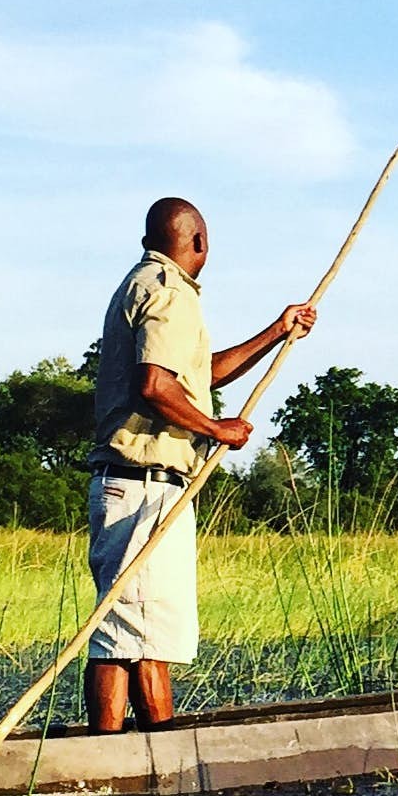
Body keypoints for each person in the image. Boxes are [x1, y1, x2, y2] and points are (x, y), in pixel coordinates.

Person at [84, 197, 316, 733]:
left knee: (138, 631)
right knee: (130, 628)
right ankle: (130, 751)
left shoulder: (145, 284)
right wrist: (216, 430)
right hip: (143, 484)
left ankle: (124, 748)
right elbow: (155, 386)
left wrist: (277, 332)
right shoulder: (169, 293)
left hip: (136, 483)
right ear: (198, 244)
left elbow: (197, 377)